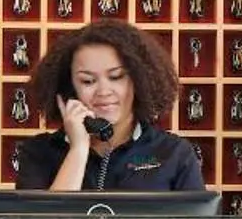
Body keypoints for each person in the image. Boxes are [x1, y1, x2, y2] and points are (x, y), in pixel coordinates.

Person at [13, 20, 207, 192]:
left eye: (116, 77)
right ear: (69, 89)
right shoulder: (37, 153)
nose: (104, 91)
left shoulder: (174, 153)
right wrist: (78, 150)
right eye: (88, 81)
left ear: (139, 81)